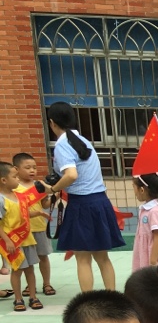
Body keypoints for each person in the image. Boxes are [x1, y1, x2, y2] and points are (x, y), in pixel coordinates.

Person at [41, 101, 124, 291]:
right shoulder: (83, 141)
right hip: (100, 201)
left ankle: (88, 301)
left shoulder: (63, 145)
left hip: (81, 204)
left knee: (83, 258)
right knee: (102, 257)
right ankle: (112, 298)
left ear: (52, 123)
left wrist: (52, 189)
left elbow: (71, 175)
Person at [0, 163, 41, 312]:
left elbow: (24, 214)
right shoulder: (1, 199)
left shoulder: (20, 196)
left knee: (30, 269)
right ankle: (18, 298)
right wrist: (7, 240)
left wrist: (38, 213)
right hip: (13, 241)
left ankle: (33, 296)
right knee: (17, 270)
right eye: (15, 177)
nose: (18, 179)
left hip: (27, 239)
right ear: (4, 180)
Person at [12, 153, 54, 297]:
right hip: (22, 230)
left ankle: (47, 283)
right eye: (28, 167)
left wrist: (55, 196)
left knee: (43, 256)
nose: (32, 170)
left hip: (40, 227)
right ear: (16, 169)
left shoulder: (39, 186)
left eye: (34, 168)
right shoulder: (13, 187)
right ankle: (30, 286)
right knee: (26, 260)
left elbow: (45, 204)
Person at [131, 174, 158, 271]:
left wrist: (153, 262)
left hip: (153, 256)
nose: (134, 191)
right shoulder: (146, 209)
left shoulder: (155, 211)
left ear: (142, 190)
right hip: (145, 253)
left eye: (134, 187)